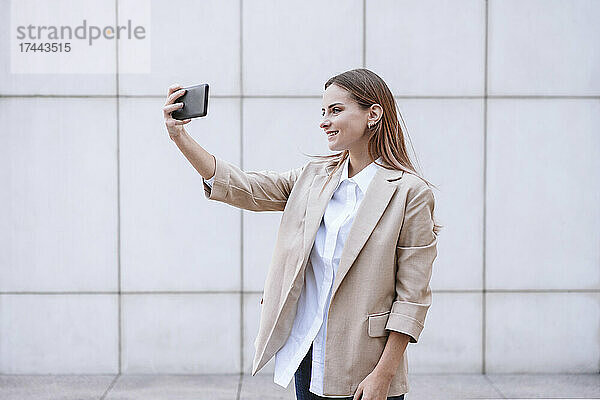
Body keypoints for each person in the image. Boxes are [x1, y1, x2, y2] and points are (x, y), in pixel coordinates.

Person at [163, 68, 441, 400]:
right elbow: (243, 187)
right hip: (306, 352)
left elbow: (412, 298)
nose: (324, 120)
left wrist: (384, 374)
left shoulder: (410, 193)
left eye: (336, 110)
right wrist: (180, 137)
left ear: (373, 114)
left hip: (366, 363)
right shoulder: (313, 177)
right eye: (323, 112)